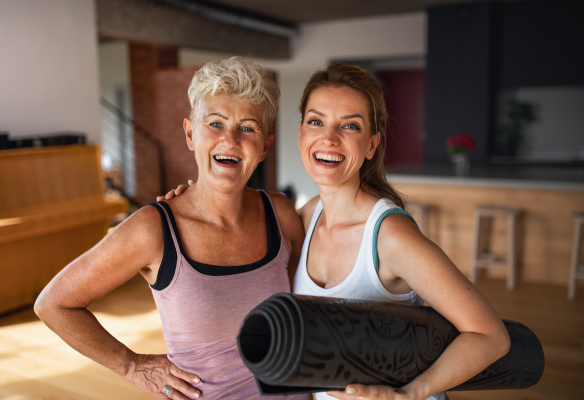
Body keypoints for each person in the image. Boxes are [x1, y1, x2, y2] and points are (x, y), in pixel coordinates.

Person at [163, 63, 511, 400]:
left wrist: (409, 394)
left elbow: (491, 336)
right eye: (317, 122)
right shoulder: (303, 219)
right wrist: (193, 201)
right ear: (301, 133)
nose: (329, 139)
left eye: (350, 127)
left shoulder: (390, 235)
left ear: (372, 144)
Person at [34, 57, 310, 400]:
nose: (231, 139)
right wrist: (130, 365)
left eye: (248, 128)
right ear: (191, 134)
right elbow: (54, 304)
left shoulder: (281, 214)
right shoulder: (155, 229)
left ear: (265, 146)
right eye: (215, 123)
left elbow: (307, 310)